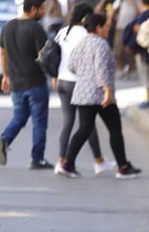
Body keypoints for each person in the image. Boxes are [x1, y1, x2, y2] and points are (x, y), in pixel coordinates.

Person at [55, 14, 141, 179]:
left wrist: (86, 76)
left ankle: (67, 163)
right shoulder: (101, 44)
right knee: (114, 128)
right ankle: (123, 167)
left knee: (84, 129)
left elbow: (71, 65)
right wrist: (107, 90)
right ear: (98, 27)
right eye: (106, 27)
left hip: (82, 92)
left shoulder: (82, 43)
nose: (108, 30)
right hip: (100, 94)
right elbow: (101, 69)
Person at [54, 4, 116, 176]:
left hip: (62, 81)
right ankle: (95, 162)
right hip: (79, 83)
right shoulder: (86, 35)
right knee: (86, 125)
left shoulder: (63, 31)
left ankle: (63, 161)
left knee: (73, 123)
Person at [0, 0, 53, 169]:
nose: (43, 12)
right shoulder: (36, 28)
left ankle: (4, 140)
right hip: (35, 82)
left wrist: (5, 75)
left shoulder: (8, 26)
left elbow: (3, 53)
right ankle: (37, 158)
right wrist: (53, 73)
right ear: (33, 8)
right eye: (42, 8)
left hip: (16, 83)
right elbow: (43, 55)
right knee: (40, 122)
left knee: (19, 117)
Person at [122, 0, 149, 108]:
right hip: (148, 49)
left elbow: (137, 29)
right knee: (148, 73)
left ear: (141, 3)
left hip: (142, 50)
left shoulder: (144, 15)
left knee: (145, 74)